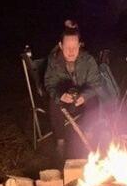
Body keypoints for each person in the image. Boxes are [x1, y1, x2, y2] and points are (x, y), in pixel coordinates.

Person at [43, 21, 117, 158]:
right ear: (60, 45)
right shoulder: (54, 61)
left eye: (74, 48)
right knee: (54, 102)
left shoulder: (88, 60)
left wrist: (84, 95)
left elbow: (96, 84)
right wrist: (59, 95)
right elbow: (49, 83)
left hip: (82, 99)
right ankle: (61, 142)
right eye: (67, 48)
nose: (71, 52)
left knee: (93, 100)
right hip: (64, 99)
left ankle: (87, 136)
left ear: (79, 45)